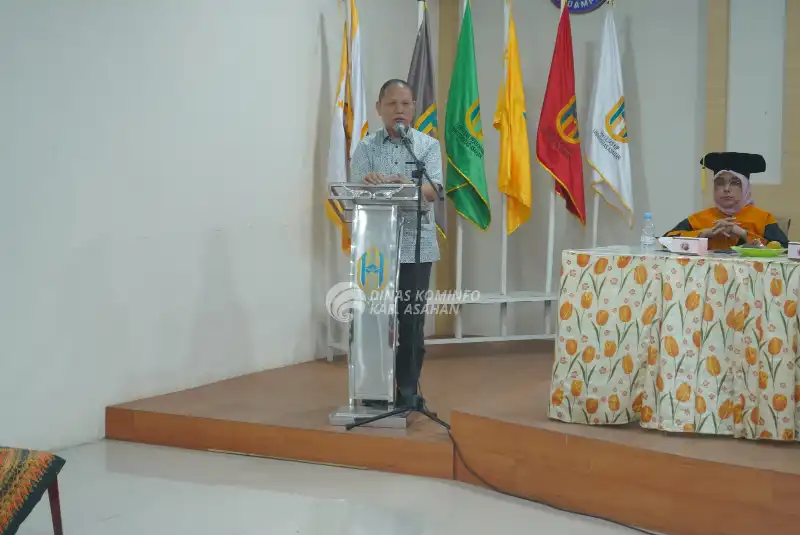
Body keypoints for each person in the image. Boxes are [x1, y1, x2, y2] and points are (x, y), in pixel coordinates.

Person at [348, 79, 443, 409]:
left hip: (417, 246)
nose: (399, 110)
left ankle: (407, 389)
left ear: (413, 108)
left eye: (405, 104)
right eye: (392, 104)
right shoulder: (366, 147)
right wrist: (367, 183)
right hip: (375, 248)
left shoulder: (426, 146)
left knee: (410, 319)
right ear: (379, 108)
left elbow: (434, 189)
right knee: (375, 317)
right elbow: (354, 189)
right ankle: (375, 388)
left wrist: (409, 186)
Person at [664, 152, 788, 250]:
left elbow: (783, 249)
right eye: (720, 183)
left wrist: (743, 234)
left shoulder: (763, 218)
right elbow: (665, 241)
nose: (726, 189)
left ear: (746, 187)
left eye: (735, 183)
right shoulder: (700, 218)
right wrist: (704, 234)